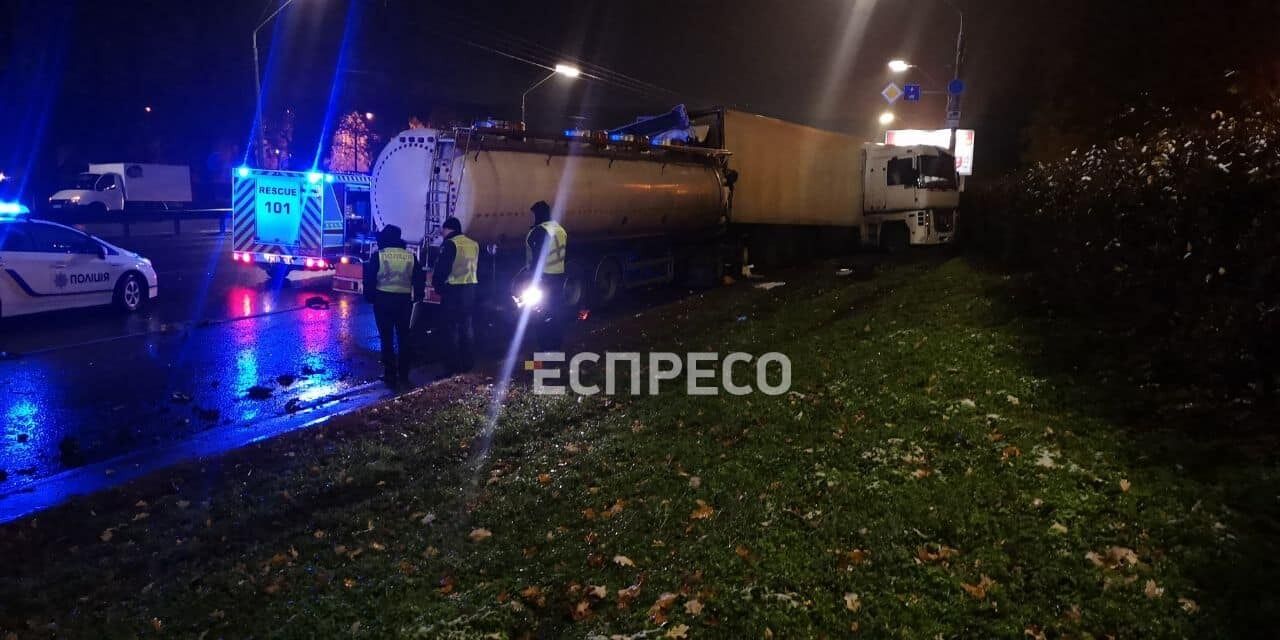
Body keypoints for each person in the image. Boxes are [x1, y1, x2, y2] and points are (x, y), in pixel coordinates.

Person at [363, 224, 425, 388]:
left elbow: (370, 279)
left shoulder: (379, 255)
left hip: (383, 301)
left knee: (386, 338)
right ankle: (404, 374)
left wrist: (370, 298)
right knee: (404, 338)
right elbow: (419, 279)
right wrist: (418, 297)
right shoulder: (410, 256)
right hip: (404, 302)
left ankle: (390, 374)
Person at [431, 216, 479, 374]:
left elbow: (442, 268)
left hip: (453, 291)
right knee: (467, 328)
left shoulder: (450, 244)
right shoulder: (473, 243)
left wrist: (438, 286)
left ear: (448, 229)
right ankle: (468, 363)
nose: (442, 233)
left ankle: (452, 366)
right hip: (470, 289)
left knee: (450, 330)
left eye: (443, 230)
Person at [526, 200, 569, 350]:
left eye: (534, 214)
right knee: (556, 312)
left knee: (541, 314)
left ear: (538, 214)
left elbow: (536, 258)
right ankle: (556, 345)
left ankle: (544, 347)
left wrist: (532, 279)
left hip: (543, 279)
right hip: (559, 276)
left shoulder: (539, 232)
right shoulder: (560, 229)